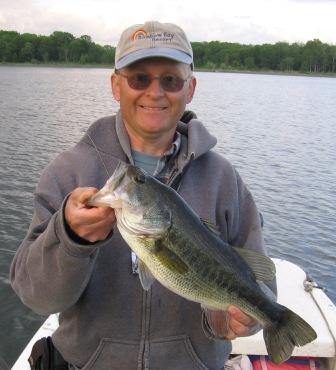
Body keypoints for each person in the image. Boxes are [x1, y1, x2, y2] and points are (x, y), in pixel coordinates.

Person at [10, 21, 276, 370]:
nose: (155, 92)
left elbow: (260, 286)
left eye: (171, 80)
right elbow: (37, 297)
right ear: (116, 85)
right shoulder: (69, 172)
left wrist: (235, 320)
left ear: (190, 88)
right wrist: (71, 239)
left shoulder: (224, 180)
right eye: (139, 79)